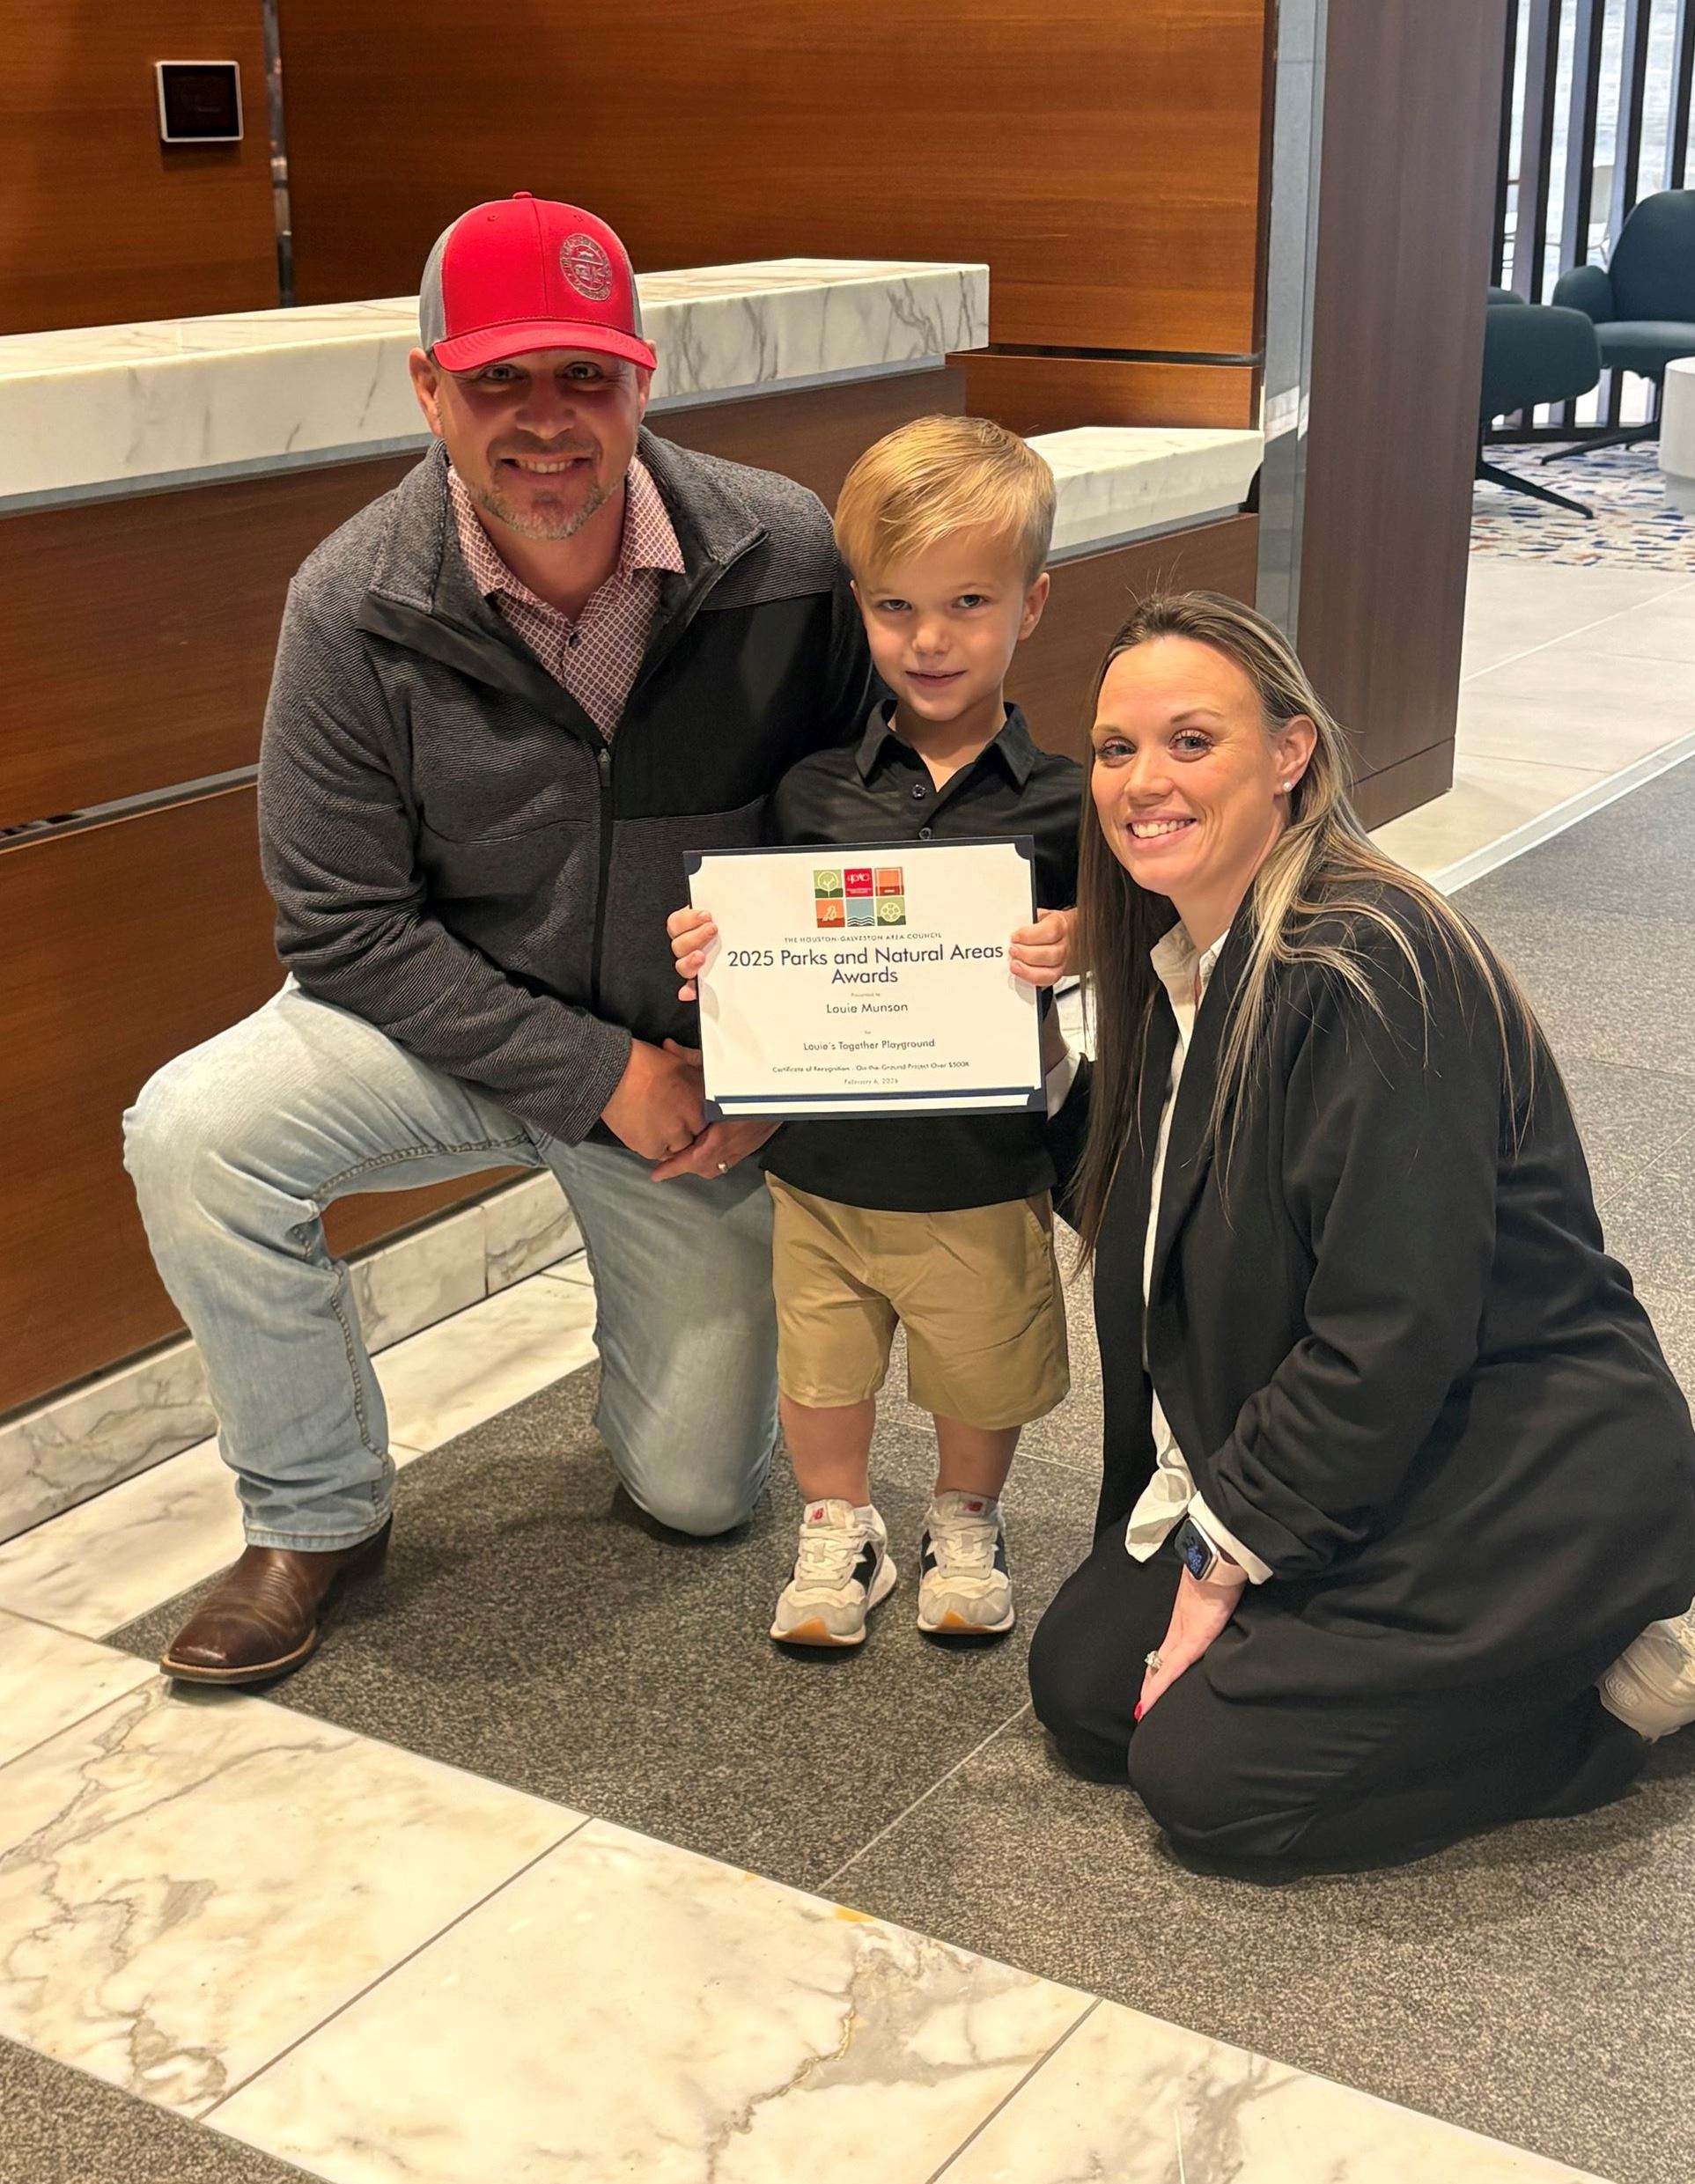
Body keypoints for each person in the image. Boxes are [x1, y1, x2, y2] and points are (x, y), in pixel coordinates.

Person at [122, 194, 873, 1686]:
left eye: (584, 376)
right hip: (450, 1035)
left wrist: (784, 1058)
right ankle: (313, 1516)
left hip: (693, 1073)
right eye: (498, 381)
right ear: (428, 388)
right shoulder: (350, 601)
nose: (547, 424)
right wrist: (593, 1070)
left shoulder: (780, 551)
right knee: (195, 1133)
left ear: (642, 380)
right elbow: (340, 924)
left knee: (698, 1498)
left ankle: (653, 1350)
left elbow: (857, 821)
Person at [1027, 590, 1695, 1877]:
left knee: (1206, 1788)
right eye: (1115, 749)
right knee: (1084, 1689)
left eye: (1189, 740)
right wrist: (1025, 1055)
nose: (1140, 781)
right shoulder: (1189, 956)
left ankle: (1617, 1687)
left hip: (1508, 1467)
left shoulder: (1370, 968)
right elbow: (1160, 1223)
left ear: (1291, 754)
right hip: (1364, 1442)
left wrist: (1220, 1566)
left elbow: (1391, 1332)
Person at [669, 417, 1078, 1648]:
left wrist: (1078, 944)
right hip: (824, 1166)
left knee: (979, 1363)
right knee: (821, 1367)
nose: (930, 638)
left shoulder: (1063, 801)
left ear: (1031, 604)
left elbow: (1142, 939)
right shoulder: (808, 793)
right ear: (858, 607)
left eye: (966, 601)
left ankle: (965, 1516)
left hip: (976, 1161)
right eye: (895, 606)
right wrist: (714, 954)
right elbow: (770, 954)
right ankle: (837, 1522)